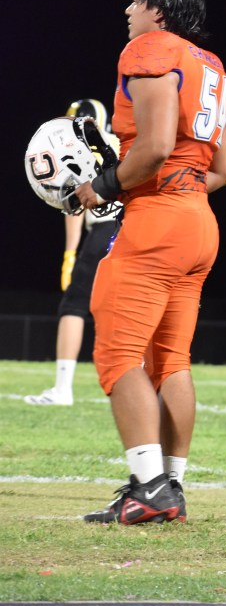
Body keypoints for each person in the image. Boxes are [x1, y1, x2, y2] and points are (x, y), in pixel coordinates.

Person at [74, 0, 226, 525]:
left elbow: (158, 143)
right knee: (171, 361)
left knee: (118, 353)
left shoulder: (149, 50)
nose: (128, 10)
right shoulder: (209, 66)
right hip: (199, 221)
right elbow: (223, 169)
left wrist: (105, 186)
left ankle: (149, 485)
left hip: (160, 223)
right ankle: (170, 487)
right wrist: (171, 189)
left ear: (158, 8)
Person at [24, 99, 122, 407]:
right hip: (135, 226)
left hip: (105, 229)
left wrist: (69, 255)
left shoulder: (82, 148)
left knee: (74, 305)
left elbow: (74, 206)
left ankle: (62, 388)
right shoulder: (123, 141)